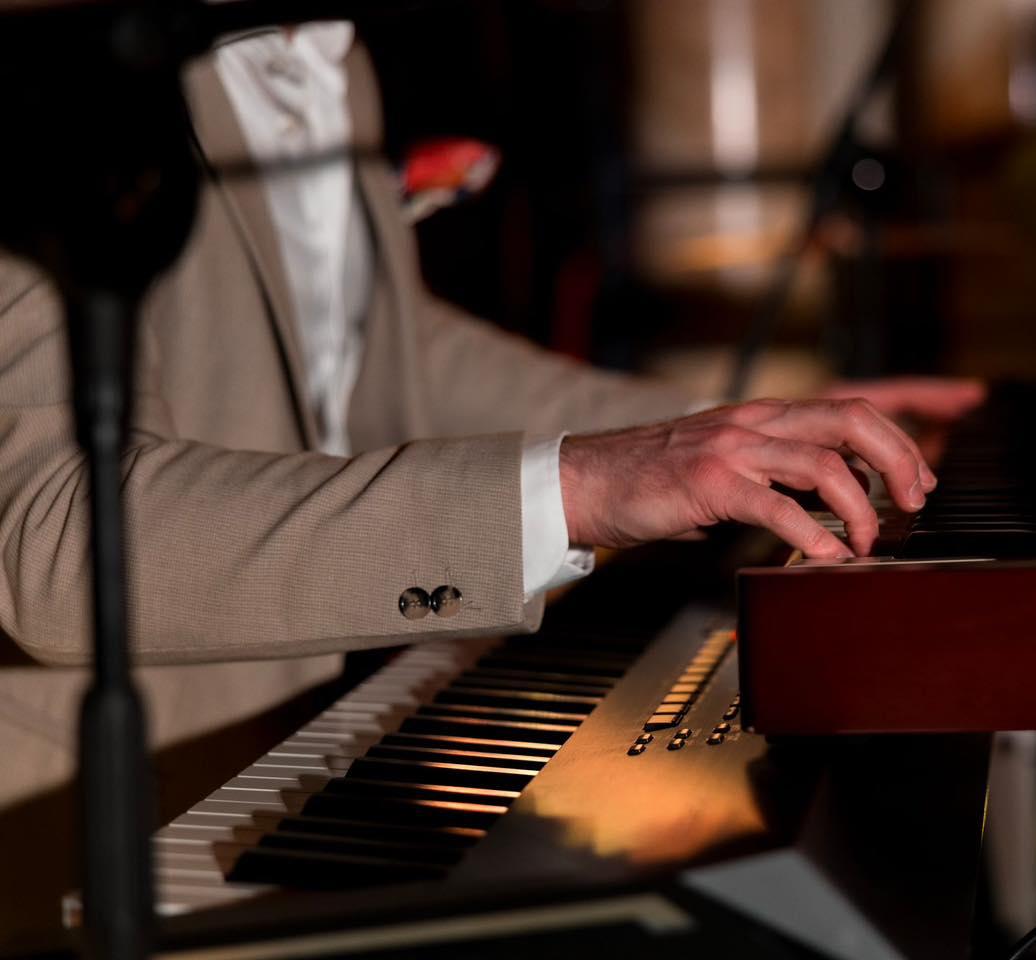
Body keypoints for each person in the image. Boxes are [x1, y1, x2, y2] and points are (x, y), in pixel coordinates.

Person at [0, 22, 982, 946]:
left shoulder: (330, 51)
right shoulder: (41, 51)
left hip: (297, 761)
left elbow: (387, 348)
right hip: (72, 841)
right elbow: (57, 538)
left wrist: (732, 428)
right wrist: (577, 490)